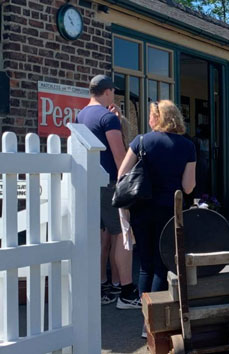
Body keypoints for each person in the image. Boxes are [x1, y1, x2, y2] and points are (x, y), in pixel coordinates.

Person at [118, 100, 196, 301]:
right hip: (170, 210)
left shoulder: (140, 141)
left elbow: (122, 175)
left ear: (157, 118)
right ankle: (154, 322)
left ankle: (146, 320)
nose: (149, 120)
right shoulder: (188, 146)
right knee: (163, 265)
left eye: (151, 116)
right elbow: (188, 187)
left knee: (145, 264)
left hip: (141, 209)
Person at [76, 75, 139, 308]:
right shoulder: (107, 118)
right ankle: (126, 291)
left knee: (101, 236)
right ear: (108, 91)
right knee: (123, 236)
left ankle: (104, 285)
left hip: (89, 182)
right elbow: (119, 156)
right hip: (111, 183)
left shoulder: (81, 115)